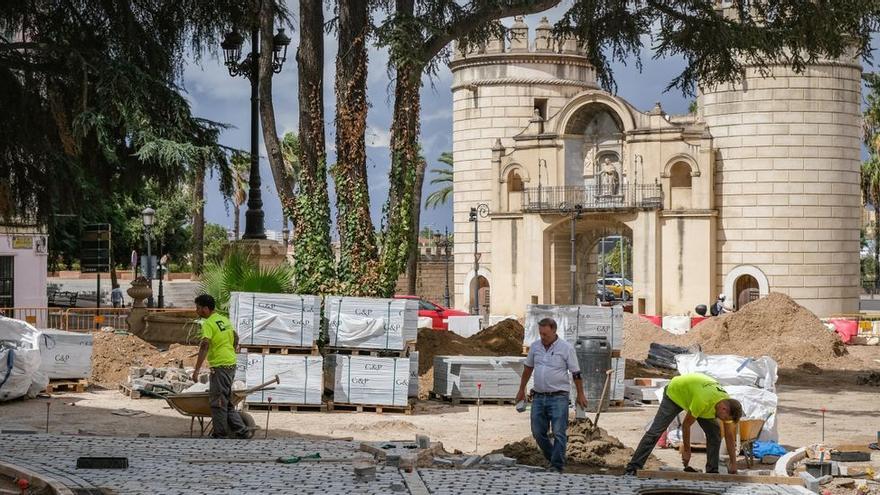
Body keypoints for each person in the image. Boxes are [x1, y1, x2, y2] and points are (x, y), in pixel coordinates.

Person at [625, 373, 743, 475]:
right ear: (723, 409)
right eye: (725, 418)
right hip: (675, 393)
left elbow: (729, 436)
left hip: (695, 395)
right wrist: (687, 450)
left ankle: (712, 472)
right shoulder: (703, 400)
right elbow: (686, 425)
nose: (723, 420)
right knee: (656, 431)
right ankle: (633, 468)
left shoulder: (727, 404)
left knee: (715, 434)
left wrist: (733, 463)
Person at [515, 318, 589, 473]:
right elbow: (528, 369)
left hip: (559, 397)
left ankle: (556, 466)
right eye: (541, 333)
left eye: (546, 334)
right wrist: (521, 390)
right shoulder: (535, 347)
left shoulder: (566, 348)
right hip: (539, 397)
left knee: (558, 432)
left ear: (554, 331)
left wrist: (580, 394)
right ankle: (555, 458)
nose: (543, 337)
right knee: (537, 432)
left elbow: (576, 373)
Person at [192, 294, 248, 439]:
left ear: (205, 309)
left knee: (218, 402)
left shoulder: (208, 323)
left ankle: (220, 434)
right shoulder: (224, 320)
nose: (196, 310)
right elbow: (235, 336)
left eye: (198, 308)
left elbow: (204, 345)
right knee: (226, 401)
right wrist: (231, 349)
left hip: (220, 366)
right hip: (230, 363)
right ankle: (241, 430)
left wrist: (196, 370)